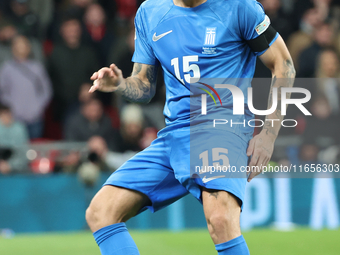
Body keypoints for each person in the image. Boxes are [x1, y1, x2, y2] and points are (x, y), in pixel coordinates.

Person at [86, 0, 296, 254]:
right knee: (101, 212)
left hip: (223, 125)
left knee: (220, 219)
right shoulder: (150, 12)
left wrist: (268, 136)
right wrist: (120, 85)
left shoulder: (239, 7)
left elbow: (283, 64)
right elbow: (144, 85)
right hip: (175, 134)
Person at [0, 35, 52, 139]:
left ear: (28, 48)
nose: (21, 48)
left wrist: (38, 107)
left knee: (34, 150)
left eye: (23, 45)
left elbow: (46, 90)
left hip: (35, 117)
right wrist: (11, 107)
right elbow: (2, 91)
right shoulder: (6, 68)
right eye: (17, 45)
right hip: (14, 118)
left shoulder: (37, 67)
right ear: (12, 48)